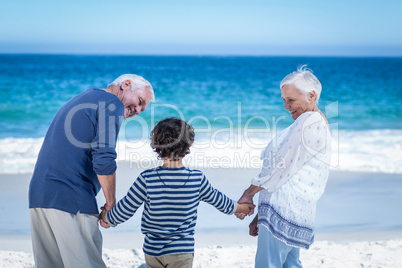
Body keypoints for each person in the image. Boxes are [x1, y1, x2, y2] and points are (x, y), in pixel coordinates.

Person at [28, 74, 155, 268]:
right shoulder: (113, 103)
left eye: (142, 109)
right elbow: (104, 157)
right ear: (126, 85)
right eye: (139, 102)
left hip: (39, 196)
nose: (137, 110)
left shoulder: (84, 97)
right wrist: (111, 202)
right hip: (70, 196)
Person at [99, 118, 255, 268]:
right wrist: (242, 208)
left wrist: (107, 217)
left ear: (156, 146)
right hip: (182, 252)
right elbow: (221, 203)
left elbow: (125, 210)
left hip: (153, 250)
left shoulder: (147, 179)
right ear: (188, 146)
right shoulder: (197, 179)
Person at [236, 65, 332, 267]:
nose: (286, 106)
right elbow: (292, 171)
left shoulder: (309, 121)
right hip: (294, 210)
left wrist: (248, 193)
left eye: (291, 100)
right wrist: (261, 214)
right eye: (284, 100)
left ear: (311, 95)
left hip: (283, 209)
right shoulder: (318, 120)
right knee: (291, 264)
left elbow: (281, 166)